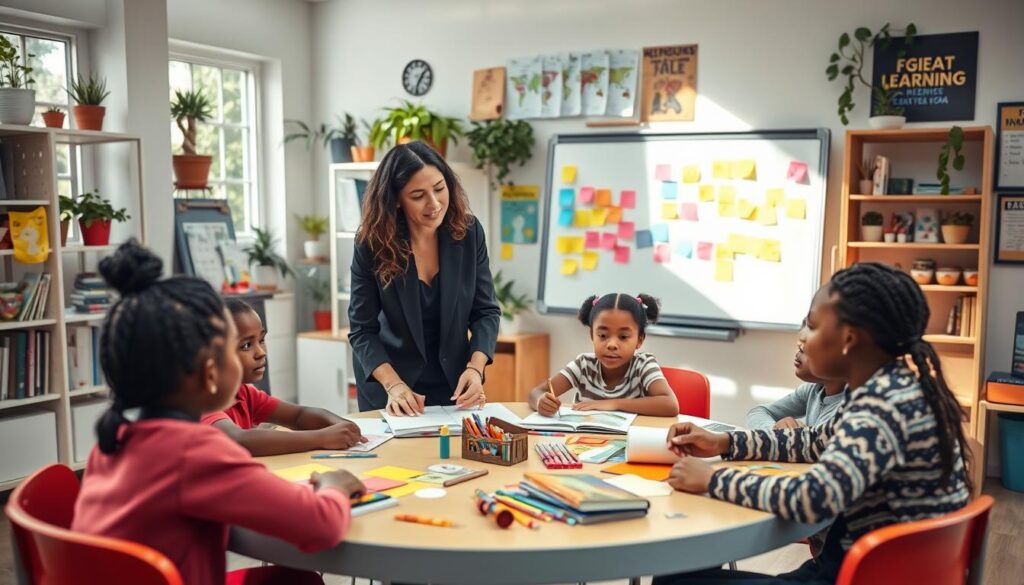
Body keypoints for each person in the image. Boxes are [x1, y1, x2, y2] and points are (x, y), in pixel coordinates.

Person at [655, 262, 972, 584]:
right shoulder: (893, 389)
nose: (803, 337)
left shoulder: (880, 408)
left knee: (674, 578)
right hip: (876, 569)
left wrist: (712, 480)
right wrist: (723, 442)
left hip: (862, 576)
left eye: (813, 325)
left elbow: (811, 499)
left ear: (848, 339)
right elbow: (811, 440)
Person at [72, 241, 366, 585]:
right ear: (211, 372)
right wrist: (334, 485)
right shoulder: (194, 453)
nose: (257, 353)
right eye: (236, 346)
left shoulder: (113, 441)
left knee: (292, 580)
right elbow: (320, 526)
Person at [348, 141, 500, 415]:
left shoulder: (469, 233)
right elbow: (362, 330)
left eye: (440, 189)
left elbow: (486, 311)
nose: (434, 204)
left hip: (453, 382)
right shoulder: (371, 243)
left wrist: (475, 368)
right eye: (418, 196)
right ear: (395, 199)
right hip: (391, 386)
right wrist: (394, 386)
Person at [200, 298, 366, 456]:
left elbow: (298, 415)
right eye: (246, 345)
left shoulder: (244, 393)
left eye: (262, 339)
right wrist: (322, 437)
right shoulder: (203, 400)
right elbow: (238, 440)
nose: (261, 352)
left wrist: (341, 425)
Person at [527, 293, 679, 417]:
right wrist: (541, 401)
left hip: (629, 448)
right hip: (582, 445)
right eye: (603, 335)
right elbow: (536, 392)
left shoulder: (643, 365)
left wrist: (613, 403)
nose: (612, 344)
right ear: (592, 335)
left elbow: (670, 404)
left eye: (623, 337)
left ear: (639, 340)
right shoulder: (584, 364)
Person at [746, 322, 846, 431]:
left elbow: (813, 445)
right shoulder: (813, 389)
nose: (800, 346)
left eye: (812, 328)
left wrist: (791, 438)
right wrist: (775, 430)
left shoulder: (848, 411)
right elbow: (758, 412)